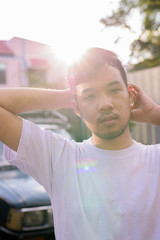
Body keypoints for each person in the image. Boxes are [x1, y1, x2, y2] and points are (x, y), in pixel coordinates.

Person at [1, 47, 160, 240]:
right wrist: (67, 97)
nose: (105, 104)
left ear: (131, 97)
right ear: (76, 106)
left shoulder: (155, 160)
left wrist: (154, 114)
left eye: (114, 90)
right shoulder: (60, 159)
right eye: (91, 96)